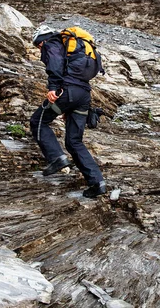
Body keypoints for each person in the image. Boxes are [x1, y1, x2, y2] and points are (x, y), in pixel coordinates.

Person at [29, 25, 107, 198]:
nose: (39, 49)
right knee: (74, 141)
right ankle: (97, 183)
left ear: (42, 40)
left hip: (66, 91)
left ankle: (57, 158)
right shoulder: (76, 46)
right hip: (83, 96)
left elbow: (55, 63)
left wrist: (54, 87)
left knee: (38, 121)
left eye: (38, 45)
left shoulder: (52, 43)